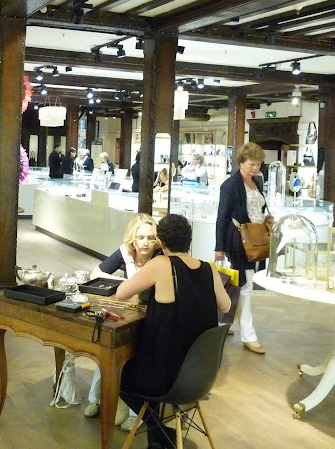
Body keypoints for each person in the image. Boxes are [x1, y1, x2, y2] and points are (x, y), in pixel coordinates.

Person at [115, 214, 231, 449]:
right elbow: (226, 305)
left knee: (120, 375)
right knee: (151, 365)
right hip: (201, 375)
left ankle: (160, 433)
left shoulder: (161, 264)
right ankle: (157, 440)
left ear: (161, 241)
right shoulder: (208, 268)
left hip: (167, 376)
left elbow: (121, 293)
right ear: (189, 240)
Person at [84, 214, 162, 428]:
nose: (146, 242)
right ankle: (96, 399)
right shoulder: (125, 252)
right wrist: (126, 282)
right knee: (107, 350)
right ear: (132, 238)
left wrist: (131, 285)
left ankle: (134, 412)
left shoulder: (160, 256)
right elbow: (96, 274)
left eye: (151, 238)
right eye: (141, 237)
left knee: (136, 357)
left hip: (150, 317)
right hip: (128, 313)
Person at [215, 142, 274, 354]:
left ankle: (223, 323)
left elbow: (259, 207)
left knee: (237, 283)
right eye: (251, 164)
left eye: (258, 164)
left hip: (254, 240)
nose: (255, 168)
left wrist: (266, 217)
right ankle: (248, 335)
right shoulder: (230, 186)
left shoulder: (257, 182)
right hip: (238, 241)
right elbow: (222, 217)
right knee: (246, 286)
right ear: (241, 162)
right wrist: (219, 247)